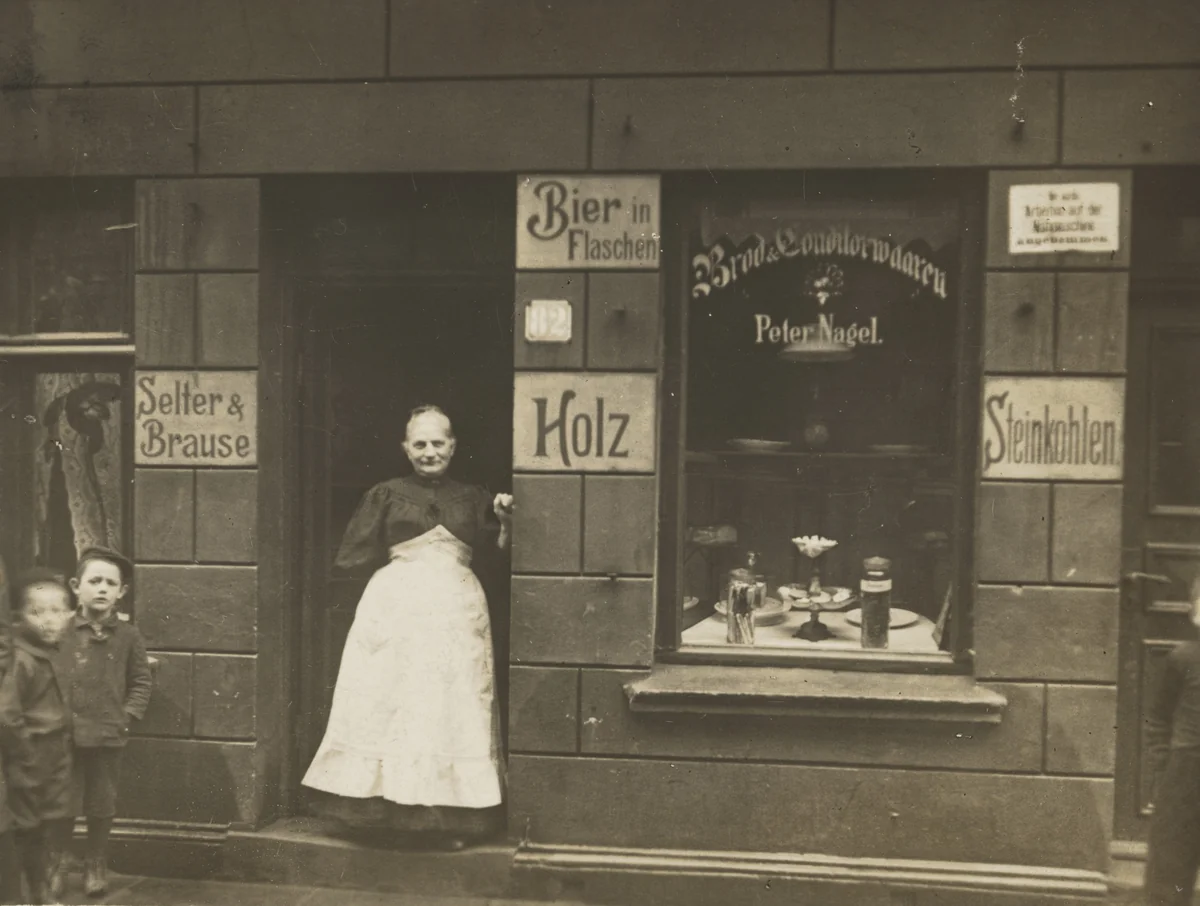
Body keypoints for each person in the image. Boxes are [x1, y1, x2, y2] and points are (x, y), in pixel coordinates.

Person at [302, 405, 513, 849]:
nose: (429, 452)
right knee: (392, 702)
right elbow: (353, 556)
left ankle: (449, 820)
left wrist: (505, 523)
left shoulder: (475, 497)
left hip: (456, 609)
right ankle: (381, 815)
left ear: (453, 446)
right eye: (420, 444)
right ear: (406, 448)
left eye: (438, 443)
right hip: (397, 609)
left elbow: (496, 558)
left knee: (448, 703)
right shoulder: (385, 494)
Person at [50, 547, 151, 898]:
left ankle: (96, 861)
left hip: (108, 733)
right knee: (62, 800)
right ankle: (58, 861)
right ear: (76, 587)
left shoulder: (128, 636)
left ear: (122, 592)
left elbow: (141, 681)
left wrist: (127, 715)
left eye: (111, 583)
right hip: (63, 736)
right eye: (94, 581)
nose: (102, 589)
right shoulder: (60, 631)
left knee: (101, 802)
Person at [0, 569, 74, 905]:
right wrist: (24, 756)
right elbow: (7, 713)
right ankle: (32, 895)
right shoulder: (22, 661)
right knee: (28, 826)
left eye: (57, 611)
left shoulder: (56, 653)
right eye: (37, 611)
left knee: (48, 823)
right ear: (18, 616)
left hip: (55, 751)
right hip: (31, 751)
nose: (49, 620)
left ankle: (42, 890)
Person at [1145, 576, 1200, 905]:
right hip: (1186, 769)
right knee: (1171, 863)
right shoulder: (1183, 659)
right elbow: (1159, 716)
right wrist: (1164, 766)